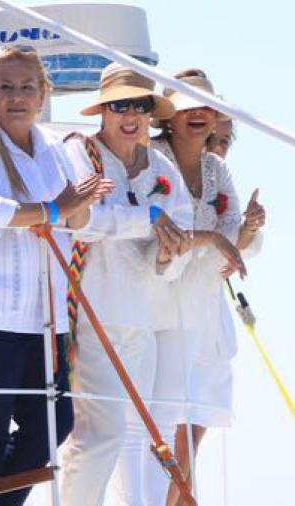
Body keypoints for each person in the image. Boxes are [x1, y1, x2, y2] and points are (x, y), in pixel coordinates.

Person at [0, 46, 113, 506]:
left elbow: (81, 222)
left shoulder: (54, 148)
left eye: (26, 87)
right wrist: (55, 210)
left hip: (41, 316)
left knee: (54, 423)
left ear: (43, 93)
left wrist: (75, 211)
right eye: (5, 88)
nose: (17, 97)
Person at [56, 63, 195, 506]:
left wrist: (168, 257)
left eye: (140, 104)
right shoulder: (80, 153)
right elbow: (82, 222)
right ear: (103, 110)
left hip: (144, 318)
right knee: (99, 437)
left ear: (151, 113)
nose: (130, 114)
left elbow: (182, 235)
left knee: (140, 433)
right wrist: (149, 219)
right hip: (92, 317)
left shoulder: (162, 166)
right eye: (120, 105)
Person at [148, 70, 264, 506]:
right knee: (164, 430)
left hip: (205, 311)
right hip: (159, 305)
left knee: (194, 433)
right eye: (186, 103)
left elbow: (232, 239)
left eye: (206, 104)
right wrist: (216, 240)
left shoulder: (218, 169)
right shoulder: (151, 157)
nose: (197, 112)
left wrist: (248, 228)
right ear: (168, 115)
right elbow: (156, 234)